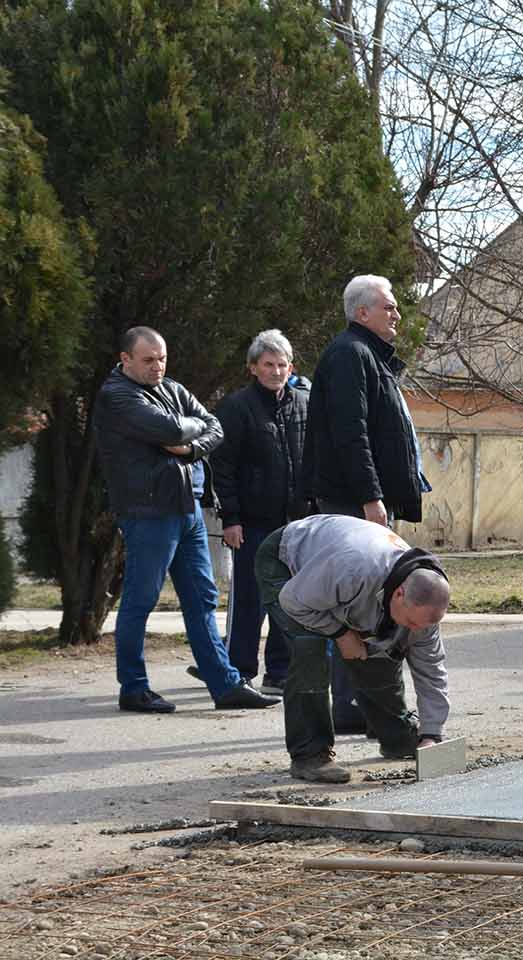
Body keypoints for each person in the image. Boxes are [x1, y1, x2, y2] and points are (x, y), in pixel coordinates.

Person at [94, 326, 280, 714]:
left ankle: (226, 685)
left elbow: (213, 427)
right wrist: (184, 431)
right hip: (148, 513)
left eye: (161, 358)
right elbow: (173, 427)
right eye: (148, 360)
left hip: (187, 508)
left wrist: (188, 446)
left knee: (202, 599)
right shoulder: (117, 396)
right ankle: (134, 687)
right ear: (125, 359)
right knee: (141, 600)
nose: (157, 366)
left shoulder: (173, 389)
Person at [305, 275, 431, 732]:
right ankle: (352, 706)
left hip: (364, 501)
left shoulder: (369, 356)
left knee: (369, 602)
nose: (397, 315)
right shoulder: (349, 355)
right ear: (362, 313)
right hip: (351, 504)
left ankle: (363, 703)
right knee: (354, 604)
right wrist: (370, 497)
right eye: (389, 307)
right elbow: (350, 434)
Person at [256, 514, 451, 783]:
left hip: (336, 579)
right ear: (399, 595)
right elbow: (292, 601)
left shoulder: (422, 610)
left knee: (381, 643)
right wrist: (341, 633)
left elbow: (431, 672)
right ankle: (310, 756)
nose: (414, 630)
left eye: (420, 626)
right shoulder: (354, 569)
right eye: (411, 622)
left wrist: (432, 735)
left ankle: (397, 738)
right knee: (310, 648)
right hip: (288, 563)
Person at [208, 330, 311, 695]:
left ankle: (279, 672)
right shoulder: (237, 408)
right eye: (268, 364)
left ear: (291, 367)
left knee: (290, 598)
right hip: (251, 522)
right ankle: (239, 671)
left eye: (282, 365)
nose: (276, 371)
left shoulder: (303, 404)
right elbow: (223, 467)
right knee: (249, 598)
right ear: (253, 367)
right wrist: (231, 519)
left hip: (295, 522)